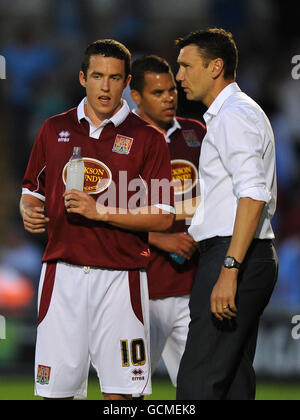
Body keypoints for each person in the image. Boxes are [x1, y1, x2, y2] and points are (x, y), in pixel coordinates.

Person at [19, 39, 175, 400]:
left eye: (115, 78)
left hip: (121, 279)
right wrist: (28, 209)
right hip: (61, 277)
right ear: (82, 78)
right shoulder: (52, 129)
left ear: (126, 82)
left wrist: (100, 211)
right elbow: (32, 190)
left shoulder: (148, 139)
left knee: (120, 397)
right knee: (55, 393)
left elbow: (164, 217)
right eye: (98, 76)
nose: (106, 87)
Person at [175, 28, 278, 400]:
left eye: (186, 66)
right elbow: (226, 198)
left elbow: (253, 194)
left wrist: (229, 269)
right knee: (232, 383)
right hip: (242, 253)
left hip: (234, 254)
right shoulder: (230, 115)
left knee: (196, 387)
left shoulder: (234, 115)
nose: (179, 76)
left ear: (216, 66)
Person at [129, 55, 206, 388]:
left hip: (191, 288)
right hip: (138, 289)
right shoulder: (121, 141)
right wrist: (162, 239)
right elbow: (104, 216)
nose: (169, 97)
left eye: (171, 89)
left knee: (199, 388)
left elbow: (217, 196)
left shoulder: (196, 133)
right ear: (137, 97)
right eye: (158, 92)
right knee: (128, 389)